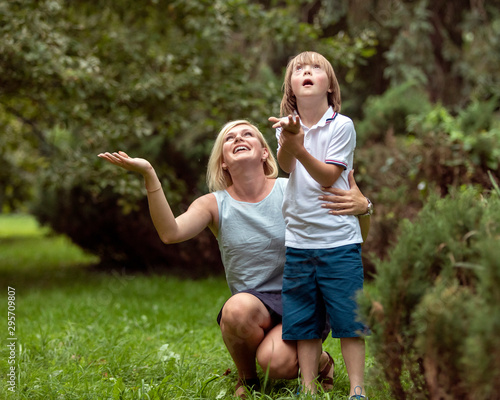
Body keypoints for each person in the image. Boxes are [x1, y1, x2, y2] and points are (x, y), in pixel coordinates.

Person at [98, 119, 371, 398]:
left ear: (265, 152)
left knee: (275, 363)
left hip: (302, 299)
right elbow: (170, 233)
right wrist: (149, 174)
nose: (238, 138)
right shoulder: (214, 204)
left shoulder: (292, 188)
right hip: (253, 305)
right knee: (236, 309)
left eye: (248, 134)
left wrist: (364, 209)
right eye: (230, 138)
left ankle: (322, 362)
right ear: (224, 162)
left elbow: (346, 233)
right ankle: (247, 378)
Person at [269, 51, 370, 399]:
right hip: (299, 242)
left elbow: (328, 176)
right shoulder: (287, 125)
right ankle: (308, 387)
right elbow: (285, 165)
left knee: (349, 321)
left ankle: (357, 389)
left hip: (338, 242)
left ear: (330, 86)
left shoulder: (342, 126)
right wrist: (291, 140)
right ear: (291, 90)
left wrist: (298, 148)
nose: (306, 72)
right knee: (303, 322)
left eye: (315, 69)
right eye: (298, 70)